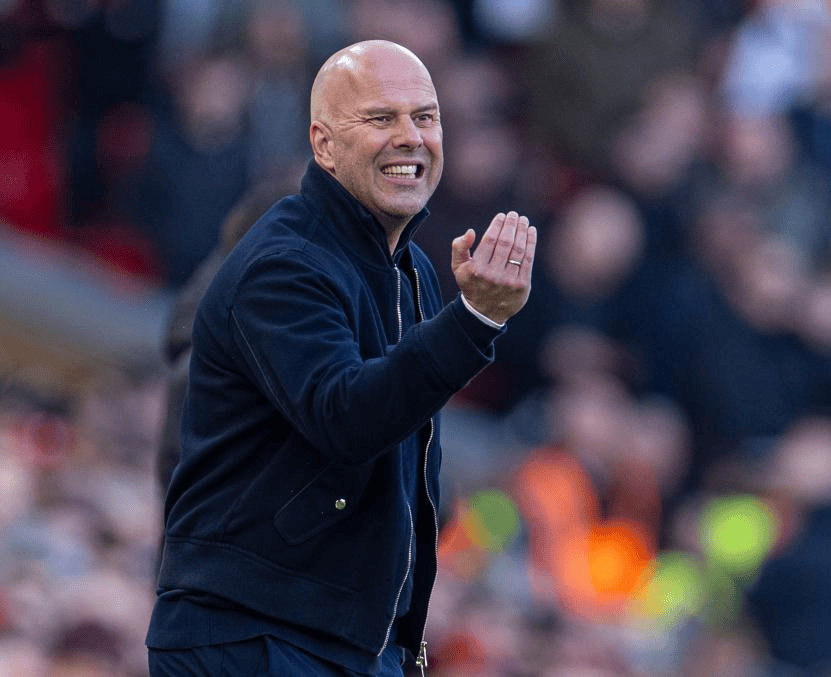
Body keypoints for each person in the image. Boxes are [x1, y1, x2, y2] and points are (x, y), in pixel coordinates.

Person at [145, 39, 537, 677]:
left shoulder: (411, 269)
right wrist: (473, 321)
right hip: (256, 635)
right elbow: (346, 417)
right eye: (381, 118)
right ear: (323, 145)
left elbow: (401, 462)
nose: (410, 137)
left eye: (425, 117)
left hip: (346, 641)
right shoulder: (283, 263)